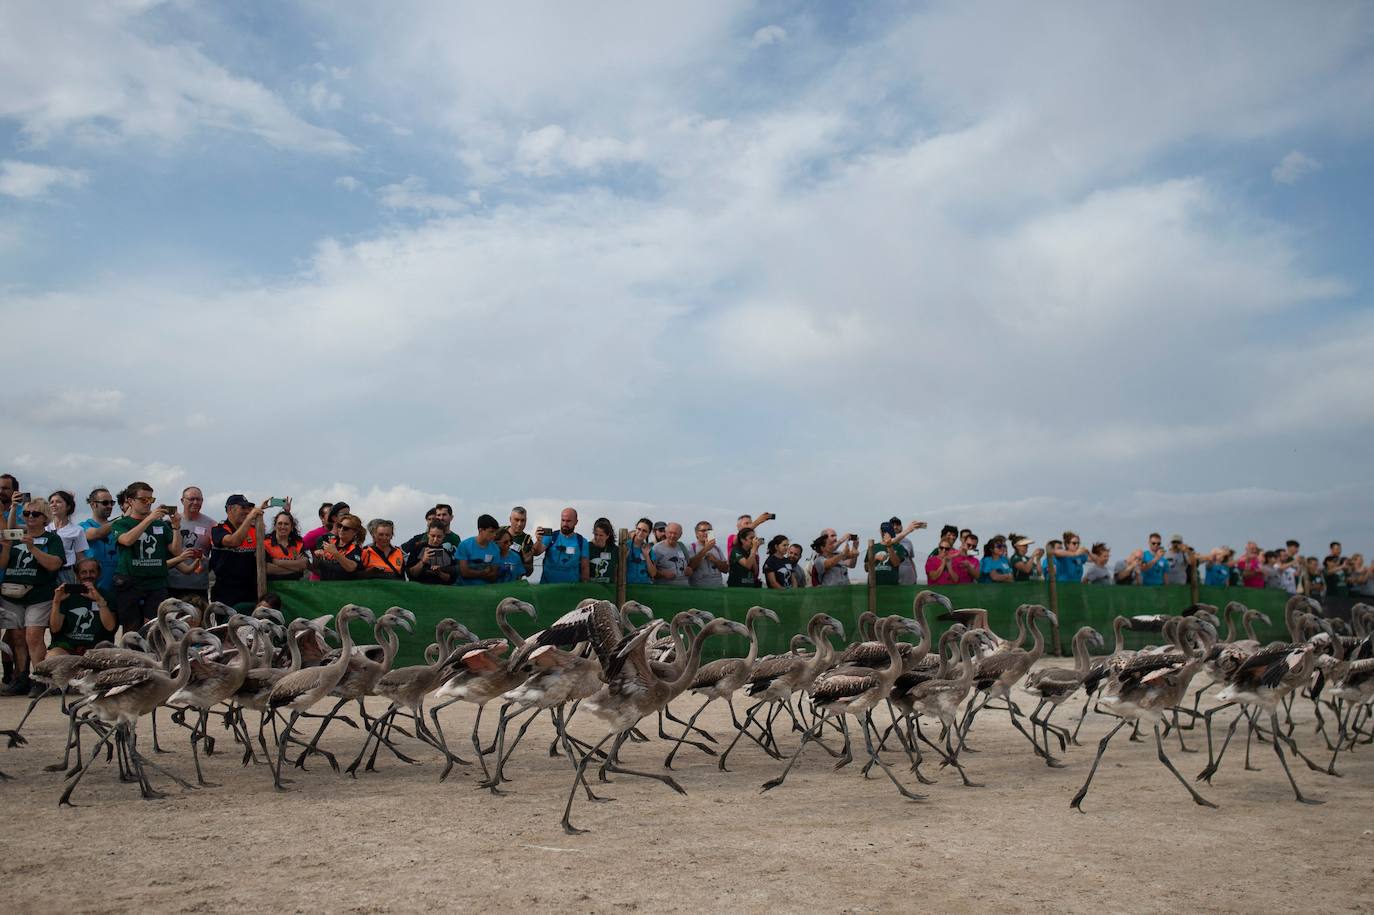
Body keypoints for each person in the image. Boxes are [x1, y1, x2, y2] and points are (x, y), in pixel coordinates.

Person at [0, 496, 66, 695]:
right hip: (12, 593)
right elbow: (3, 564)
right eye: (27, 513)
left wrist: (33, 548)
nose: (30, 517)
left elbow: (55, 564)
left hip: (39, 593)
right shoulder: (15, 535)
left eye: (35, 514)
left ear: (45, 518)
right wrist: (7, 546)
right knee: (17, 637)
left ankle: (40, 679)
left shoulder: (52, 538)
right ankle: (21, 677)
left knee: (33, 636)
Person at [111, 482, 186, 632]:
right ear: (131, 501)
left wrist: (176, 527)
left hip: (156, 582)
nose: (148, 503)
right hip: (130, 580)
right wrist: (149, 519)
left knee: (152, 626)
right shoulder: (122, 523)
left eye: (150, 500)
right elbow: (127, 540)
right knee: (131, 627)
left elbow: (176, 551)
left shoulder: (161, 525)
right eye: (143, 500)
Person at [47, 557, 117, 656]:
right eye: (83, 572)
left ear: (99, 574)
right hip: (68, 646)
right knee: (52, 656)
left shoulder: (107, 596)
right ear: (77, 575)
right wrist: (56, 602)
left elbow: (110, 627)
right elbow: (55, 628)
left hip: (97, 647)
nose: (88, 575)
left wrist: (99, 600)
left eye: (92, 572)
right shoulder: (66, 595)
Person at [211, 495, 266, 607]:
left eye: (248, 508)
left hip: (249, 590)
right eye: (243, 508)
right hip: (226, 591)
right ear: (230, 509)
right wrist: (250, 518)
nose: (246, 511)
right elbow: (233, 541)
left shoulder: (252, 529)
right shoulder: (218, 529)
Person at [166, 485, 213, 599]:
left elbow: (216, 556)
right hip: (172, 584)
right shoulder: (169, 522)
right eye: (191, 499)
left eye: (199, 499)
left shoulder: (211, 524)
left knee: (198, 616)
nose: (196, 502)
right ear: (182, 501)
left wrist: (205, 561)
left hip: (198, 585)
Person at [44, 490, 90, 581]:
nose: (54, 504)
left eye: (58, 502)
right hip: (45, 571)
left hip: (66, 572)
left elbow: (80, 557)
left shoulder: (77, 530)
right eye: (51, 502)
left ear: (68, 506)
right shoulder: (44, 528)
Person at [534, 507, 589, 584]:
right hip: (548, 588)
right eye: (563, 520)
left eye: (568, 521)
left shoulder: (582, 541)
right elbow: (536, 552)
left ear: (576, 522)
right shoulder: (551, 537)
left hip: (571, 590)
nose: (565, 524)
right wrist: (538, 540)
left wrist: (584, 587)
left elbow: (584, 567)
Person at [80, 487, 118, 592]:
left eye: (112, 502)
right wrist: (123, 518)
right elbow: (98, 534)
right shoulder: (83, 526)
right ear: (93, 504)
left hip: (118, 589)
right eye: (105, 503)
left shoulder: (118, 526)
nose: (110, 506)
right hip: (94, 588)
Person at [312, 512, 363, 581]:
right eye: (340, 526)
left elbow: (351, 567)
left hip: (344, 587)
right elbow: (316, 566)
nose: (341, 529)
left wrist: (335, 553)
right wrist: (318, 556)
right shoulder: (329, 541)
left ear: (355, 532)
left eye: (346, 528)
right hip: (325, 586)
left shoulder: (356, 548)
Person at [457, 515, 503, 585]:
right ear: (480, 530)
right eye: (491, 531)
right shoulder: (464, 545)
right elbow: (464, 573)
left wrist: (473, 573)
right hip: (465, 589)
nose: (494, 535)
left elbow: (493, 575)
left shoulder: (495, 549)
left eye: (495, 532)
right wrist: (483, 573)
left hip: (486, 590)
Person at [264, 510, 308, 584]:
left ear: (291, 527)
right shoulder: (265, 543)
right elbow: (266, 568)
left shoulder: (298, 544)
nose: (283, 527)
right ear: (275, 526)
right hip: (271, 590)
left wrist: (276, 562)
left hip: (295, 590)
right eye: (280, 523)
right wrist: (296, 567)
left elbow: (304, 565)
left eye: (286, 524)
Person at [686, 521, 729, 588]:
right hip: (699, 589)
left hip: (718, 588)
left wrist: (715, 560)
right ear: (696, 533)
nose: (706, 533)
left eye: (709, 530)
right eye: (703, 530)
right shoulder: (691, 547)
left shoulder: (717, 548)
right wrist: (705, 549)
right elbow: (690, 567)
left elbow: (726, 569)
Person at [888, 517, 928, 585]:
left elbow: (910, 559)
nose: (895, 527)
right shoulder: (887, 542)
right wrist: (909, 529)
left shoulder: (908, 542)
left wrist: (915, 575)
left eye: (897, 524)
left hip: (908, 578)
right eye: (892, 525)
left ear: (901, 527)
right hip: (893, 577)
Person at [506, 506, 536, 580]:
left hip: (514, 582)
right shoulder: (498, 532)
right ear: (510, 519)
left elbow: (529, 573)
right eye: (516, 520)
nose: (519, 524)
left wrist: (528, 562)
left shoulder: (527, 541)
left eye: (523, 520)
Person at [625, 518, 655, 584]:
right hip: (627, 587)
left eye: (644, 531)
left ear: (648, 533)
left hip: (644, 587)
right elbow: (617, 569)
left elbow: (653, 574)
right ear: (635, 529)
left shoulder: (649, 549)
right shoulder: (626, 546)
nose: (641, 533)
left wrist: (647, 556)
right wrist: (624, 557)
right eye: (639, 529)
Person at [588, 518, 617, 584]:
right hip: (591, 589)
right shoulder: (587, 547)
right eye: (596, 534)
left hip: (609, 590)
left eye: (601, 535)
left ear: (608, 535)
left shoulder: (614, 550)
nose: (598, 538)